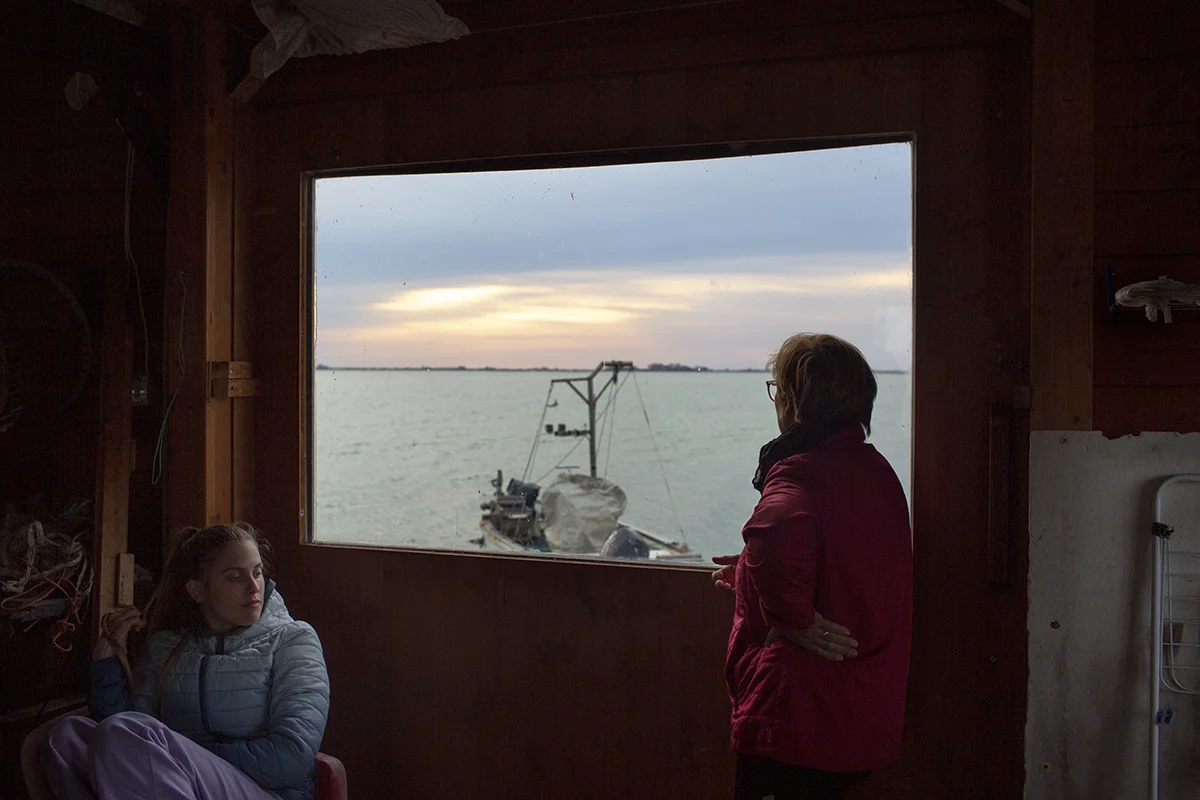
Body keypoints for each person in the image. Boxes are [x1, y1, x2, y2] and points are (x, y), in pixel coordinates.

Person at [712, 333, 913, 800]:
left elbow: (776, 531)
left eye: (778, 390)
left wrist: (790, 616)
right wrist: (749, 573)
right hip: (860, 713)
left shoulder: (801, 470)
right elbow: (842, 556)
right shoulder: (874, 469)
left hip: (797, 720)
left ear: (795, 402)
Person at [41, 522, 330, 800]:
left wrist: (178, 754)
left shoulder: (293, 640)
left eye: (257, 572)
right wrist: (106, 658)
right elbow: (124, 732)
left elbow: (291, 756)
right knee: (65, 738)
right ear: (197, 590)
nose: (254, 587)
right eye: (235, 576)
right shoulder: (166, 646)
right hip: (175, 782)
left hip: (265, 791)